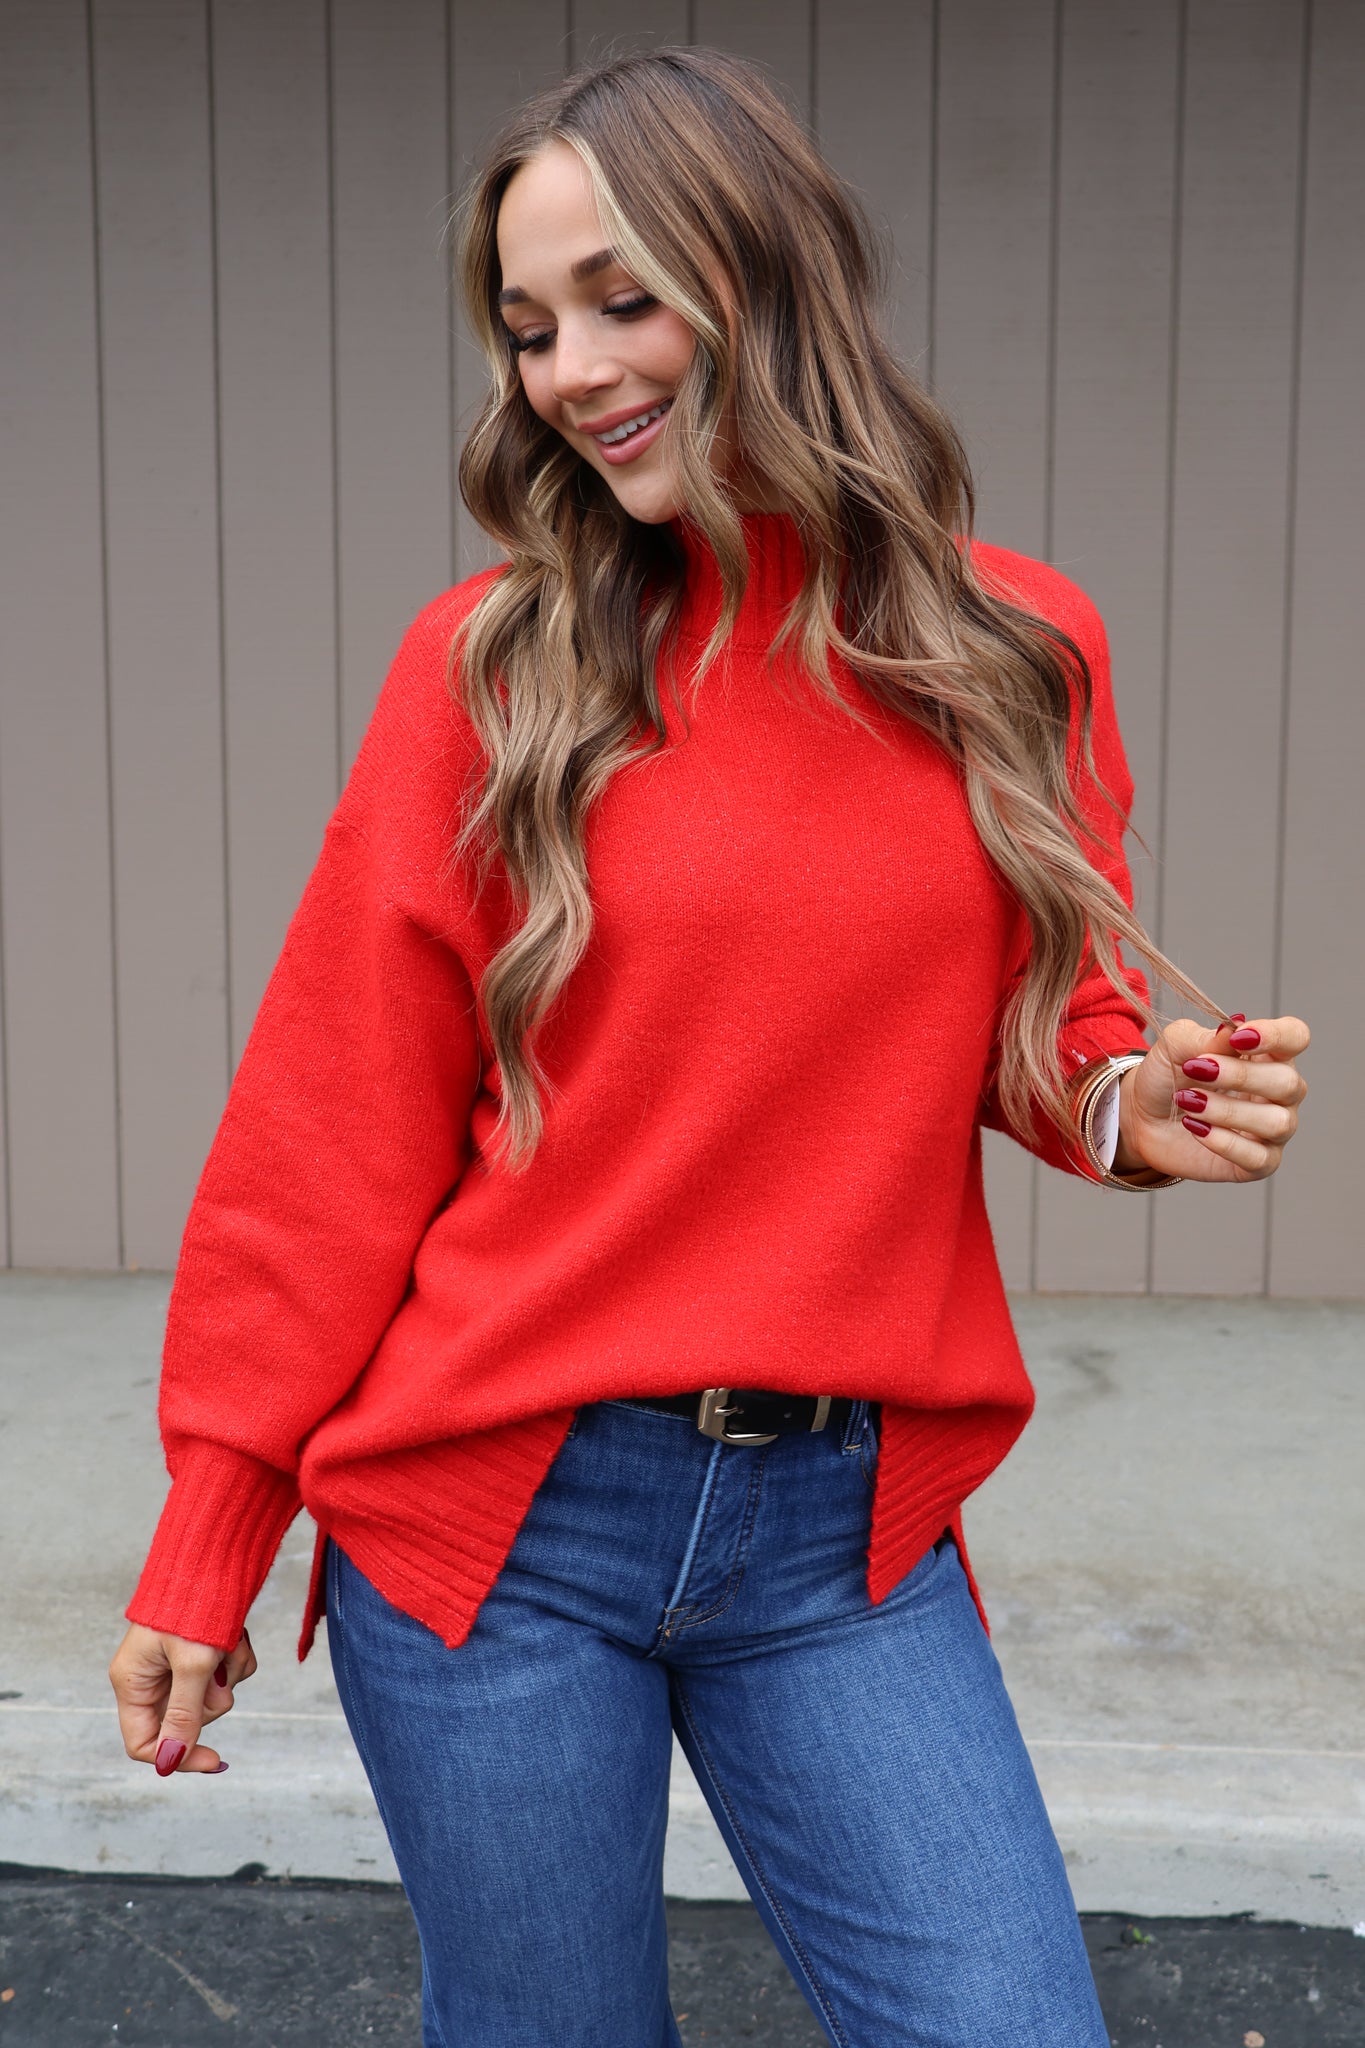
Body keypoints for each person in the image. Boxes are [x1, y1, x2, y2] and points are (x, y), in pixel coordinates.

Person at [109, 46, 1309, 2048]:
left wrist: (1131, 1104)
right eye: (527, 328)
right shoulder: (488, 672)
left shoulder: (1014, 649)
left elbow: (1039, 1021)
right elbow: (328, 1130)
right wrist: (213, 1525)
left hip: (839, 1540)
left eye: (621, 299)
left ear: (767, 277)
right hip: (501, 1515)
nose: (571, 372)